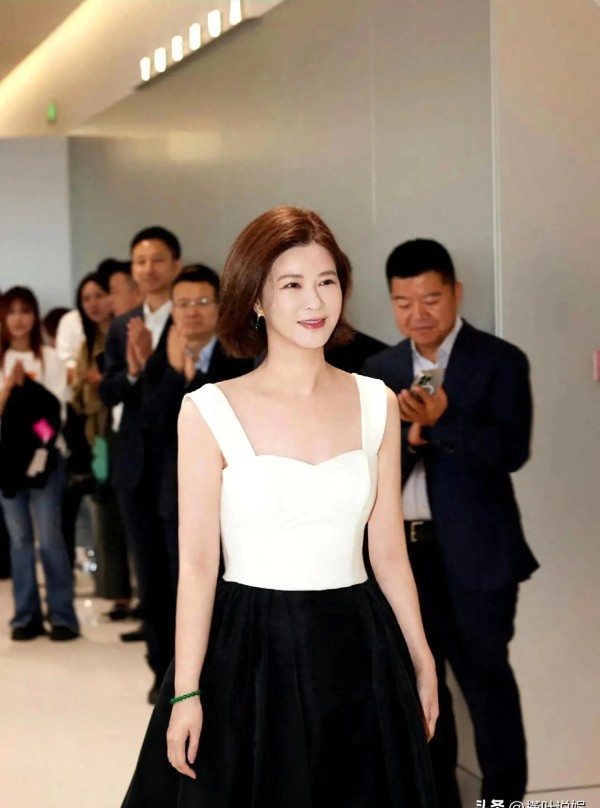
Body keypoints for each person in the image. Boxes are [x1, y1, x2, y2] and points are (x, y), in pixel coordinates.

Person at [121, 206, 437, 807]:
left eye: (326, 281)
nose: (314, 301)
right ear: (257, 299)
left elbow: (389, 552)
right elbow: (197, 564)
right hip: (248, 647)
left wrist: (421, 660)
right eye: (291, 284)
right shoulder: (209, 410)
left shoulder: (376, 401)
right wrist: (185, 690)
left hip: (359, 643)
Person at [362, 238, 539, 805]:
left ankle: (502, 800)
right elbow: (369, 467)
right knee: (420, 686)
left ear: (456, 292)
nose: (418, 313)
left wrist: (444, 421)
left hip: (477, 555)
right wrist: (413, 438)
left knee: (486, 682)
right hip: (405, 556)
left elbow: (511, 450)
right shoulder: (380, 369)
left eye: (431, 298)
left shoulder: (500, 360)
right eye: (403, 302)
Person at [100, 226, 182, 702]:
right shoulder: (122, 326)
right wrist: (132, 369)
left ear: (174, 265)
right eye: (140, 261)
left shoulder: (189, 319)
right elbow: (107, 390)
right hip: (133, 466)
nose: (148, 269)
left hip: (178, 463)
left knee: (182, 572)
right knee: (149, 575)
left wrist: (154, 362)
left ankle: (191, 669)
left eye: (157, 259)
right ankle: (160, 667)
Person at [143, 264, 253, 591]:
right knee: (185, 584)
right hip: (177, 493)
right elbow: (154, 424)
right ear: (173, 311)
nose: (192, 312)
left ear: (220, 307)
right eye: (183, 304)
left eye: (203, 302)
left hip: (230, 495)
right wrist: (175, 373)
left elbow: (224, 423)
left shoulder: (240, 357)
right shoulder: (162, 359)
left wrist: (192, 379)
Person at [0, 287, 79, 641]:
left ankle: (62, 616)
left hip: (46, 460)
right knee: (19, 540)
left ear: (34, 316)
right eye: (11, 311)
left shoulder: (50, 358)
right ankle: (25, 617)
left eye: (25, 310)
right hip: (7, 463)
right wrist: (10, 390)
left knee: (49, 538)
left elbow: (54, 416)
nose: (18, 319)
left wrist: (33, 423)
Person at [71, 271, 132, 617]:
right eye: (87, 299)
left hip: (130, 429)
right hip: (100, 437)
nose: (94, 304)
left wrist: (104, 380)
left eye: (99, 295)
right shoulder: (87, 345)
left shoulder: (127, 332)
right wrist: (91, 385)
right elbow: (78, 399)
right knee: (106, 513)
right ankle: (118, 594)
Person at [325, 253, 388, 372]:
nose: (315, 300)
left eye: (326, 282)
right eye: (295, 285)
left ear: (348, 288)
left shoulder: (380, 360)